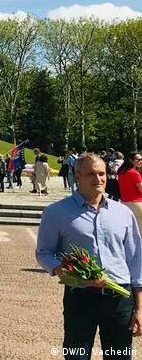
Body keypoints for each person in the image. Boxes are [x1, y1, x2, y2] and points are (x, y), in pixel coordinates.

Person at [36, 154, 142, 360]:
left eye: (102, 173)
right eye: (91, 174)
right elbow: (44, 252)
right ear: (77, 176)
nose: (98, 179)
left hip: (120, 300)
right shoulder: (57, 212)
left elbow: (136, 260)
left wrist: (139, 307)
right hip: (81, 298)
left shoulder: (123, 213)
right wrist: (61, 270)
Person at [117, 152, 142, 227]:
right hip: (137, 204)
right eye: (139, 159)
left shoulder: (121, 172)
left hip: (125, 203)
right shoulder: (134, 173)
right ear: (131, 160)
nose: (141, 161)